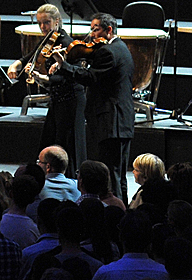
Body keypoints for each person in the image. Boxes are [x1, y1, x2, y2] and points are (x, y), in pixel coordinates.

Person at [50, 12, 134, 197]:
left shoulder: (107, 51)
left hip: (110, 121)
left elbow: (91, 77)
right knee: (119, 175)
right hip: (122, 120)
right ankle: (122, 210)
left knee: (110, 174)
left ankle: (114, 214)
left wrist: (63, 65)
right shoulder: (122, 47)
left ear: (109, 30)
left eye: (96, 30)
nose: (92, 35)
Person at [8, 5, 86, 172]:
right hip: (58, 99)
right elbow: (30, 56)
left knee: (68, 145)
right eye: (40, 23)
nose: (43, 27)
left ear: (57, 21)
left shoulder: (67, 44)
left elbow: (69, 75)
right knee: (51, 140)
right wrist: (16, 65)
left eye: (46, 23)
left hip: (71, 100)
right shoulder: (48, 41)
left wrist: (44, 78)